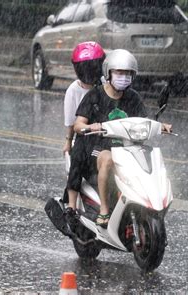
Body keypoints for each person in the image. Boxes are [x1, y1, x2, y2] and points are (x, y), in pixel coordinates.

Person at [74, 49, 172, 228]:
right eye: (119, 72)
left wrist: (160, 126)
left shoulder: (132, 97)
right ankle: (104, 209)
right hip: (100, 147)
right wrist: (90, 127)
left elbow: (143, 120)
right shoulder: (95, 95)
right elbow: (78, 124)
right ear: (108, 73)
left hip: (127, 147)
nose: (123, 77)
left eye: (128, 74)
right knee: (109, 159)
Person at [63, 41, 105, 226]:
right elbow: (71, 122)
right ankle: (71, 206)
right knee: (77, 162)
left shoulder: (106, 86)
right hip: (85, 137)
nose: (89, 72)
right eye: (85, 68)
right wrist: (68, 142)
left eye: (93, 67)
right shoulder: (74, 90)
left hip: (106, 136)